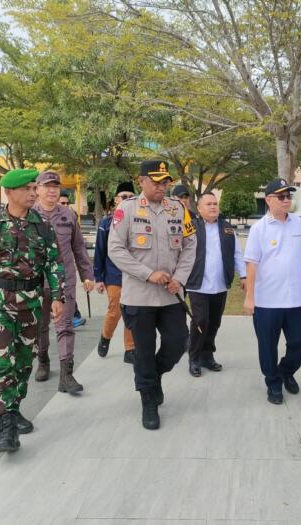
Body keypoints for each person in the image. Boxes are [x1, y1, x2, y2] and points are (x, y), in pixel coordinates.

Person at [0, 168, 65, 453]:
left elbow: (54, 263)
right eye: (26, 189)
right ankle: (5, 425)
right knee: (1, 363)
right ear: (9, 192)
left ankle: (14, 408)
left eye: (33, 188)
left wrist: (58, 297)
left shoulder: (42, 226)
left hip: (31, 304)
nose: (33, 193)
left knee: (24, 362)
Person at [108, 160, 197, 430]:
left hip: (170, 295)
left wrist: (179, 278)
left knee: (178, 341)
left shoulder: (178, 209)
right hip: (139, 297)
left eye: (165, 182)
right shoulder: (126, 209)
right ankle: (148, 400)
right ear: (141, 181)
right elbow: (115, 249)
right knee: (144, 351)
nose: (162, 186)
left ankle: (153, 378)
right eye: (156, 181)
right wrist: (148, 274)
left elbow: (190, 246)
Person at [243, 178, 301, 405]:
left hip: (295, 299)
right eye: (281, 196)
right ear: (268, 200)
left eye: (289, 196)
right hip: (267, 301)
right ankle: (273, 383)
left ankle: (285, 371)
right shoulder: (259, 229)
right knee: (267, 347)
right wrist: (249, 297)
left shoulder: (299, 224)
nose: (287, 200)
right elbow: (251, 265)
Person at [33, 171, 95, 393]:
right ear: (37, 189)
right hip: (36, 281)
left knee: (65, 326)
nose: (52, 190)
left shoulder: (68, 215)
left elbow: (78, 247)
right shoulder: (29, 215)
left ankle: (66, 375)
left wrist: (87, 275)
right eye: (47, 186)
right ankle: (43, 361)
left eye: (56, 186)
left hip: (64, 281)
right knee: (40, 326)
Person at [185, 191, 247, 377]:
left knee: (214, 322)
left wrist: (243, 276)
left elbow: (237, 254)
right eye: (209, 204)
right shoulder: (190, 227)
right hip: (198, 284)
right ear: (199, 208)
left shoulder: (227, 228)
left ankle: (207, 355)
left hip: (220, 284)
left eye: (215, 203)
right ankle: (194, 357)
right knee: (200, 320)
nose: (213, 207)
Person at [94, 181, 137, 363]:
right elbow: (100, 251)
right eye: (124, 196)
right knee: (115, 311)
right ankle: (105, 337)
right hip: (113, 275)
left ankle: (130, 349)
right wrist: (98, 277)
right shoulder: (106, 223)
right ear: (116, 200)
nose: (127, 199)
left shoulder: (140, 221)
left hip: (135, 276)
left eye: (131, 197)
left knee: (132, 312)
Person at [58, 190, 86, 328]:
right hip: (50, 265)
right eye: (62, 203)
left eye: (67, 203)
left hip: (67, 263)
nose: (65, 205)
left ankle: (74, 316)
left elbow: (77, 243)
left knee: (67, 290)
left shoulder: (71, 216)